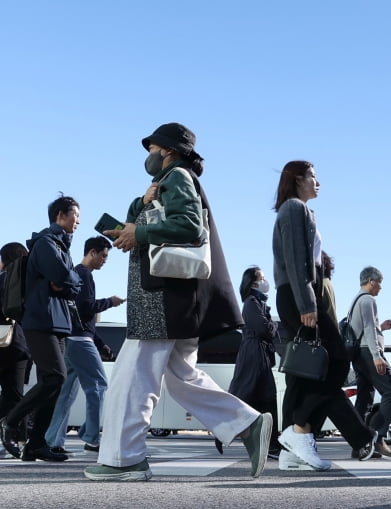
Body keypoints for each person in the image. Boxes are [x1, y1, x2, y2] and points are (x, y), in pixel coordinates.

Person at [84, 122, 273, 482]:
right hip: (176, 300)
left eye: (151, 149)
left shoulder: (177, 177)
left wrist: (138, 231)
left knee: (131, 377)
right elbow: (165, 222)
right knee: (182, 378)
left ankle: (125, 460)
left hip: (161, 300)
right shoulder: (167, 182)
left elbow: (189, 225)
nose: (148, 156)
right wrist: (140, 209)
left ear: (167, 150)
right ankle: (248, 425)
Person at [272, 160, 377, 471]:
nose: (318, 183)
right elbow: (295, 259)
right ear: (297, 179)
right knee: (335, 362)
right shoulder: (294, 208)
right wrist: (307, 304)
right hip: (298, 294)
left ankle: (294, 447)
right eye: (313, 177)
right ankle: (298, 432)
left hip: (300, 293)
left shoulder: (303, 210)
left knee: (310, 371)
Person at [0, 195, 82, 462]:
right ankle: (11, 422)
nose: (78, 221)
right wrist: (66, 281)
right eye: (75, 215)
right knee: (55, 377)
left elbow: (73, 283)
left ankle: (36, 444)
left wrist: (68, 281)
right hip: (40, 320)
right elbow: (62, 277)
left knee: (55, 384)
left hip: (58, 321)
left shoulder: (62, 246)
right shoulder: (46, 243)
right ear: (61, 215)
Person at [45, 236, 125, 454]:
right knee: (99, 385)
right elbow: (86, 307)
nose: (104, 261)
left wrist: (101, 343)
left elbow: (81, 317)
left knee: (67, 392)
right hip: (80, 340)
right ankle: (91, 437)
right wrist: (111, 301)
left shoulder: (75, 274)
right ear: (92, 252)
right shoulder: (85, 274)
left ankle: (53, 440)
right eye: (104, 256)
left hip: (72, 338)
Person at [215, 266, 280, 458]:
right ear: (253, 282)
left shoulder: (257, 303)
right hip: (254, 354)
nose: (265, 281)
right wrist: (274, 325)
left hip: (259, 354)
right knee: (244, 395)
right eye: (262, 277)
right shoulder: (252, 303)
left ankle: (271, 445)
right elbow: (264, 329)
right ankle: (222, 431)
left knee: (265, 399)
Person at [349, 266, 391, 458]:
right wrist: (377, 355)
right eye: (379, 283)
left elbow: (365, 328)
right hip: (369, 354)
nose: (380, 287)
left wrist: (383, 329)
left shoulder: (356, 300)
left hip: (359, 355)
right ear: (371, 281)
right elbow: (369, 328)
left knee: (364, 399)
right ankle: (377, 438)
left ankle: (359, 445)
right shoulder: (368, 300)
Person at [0, 243, 31, 456]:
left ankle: (14, 437)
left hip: (7, 339)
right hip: (18, 343)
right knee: (15, 394)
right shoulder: (25, 282)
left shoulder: (4, 279)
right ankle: (16, 438)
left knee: (12, 395)